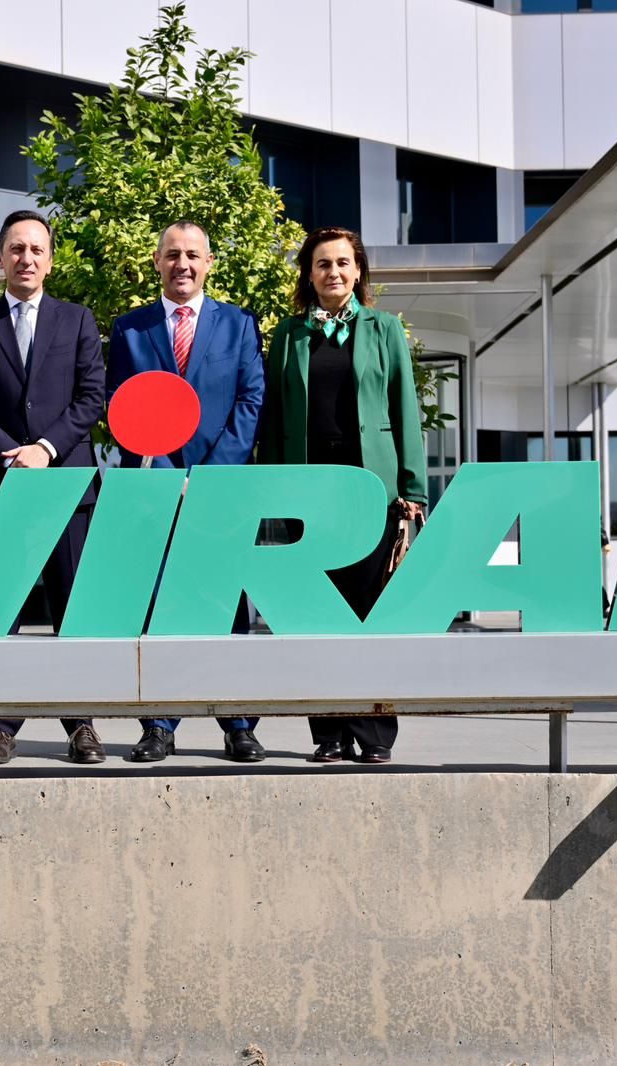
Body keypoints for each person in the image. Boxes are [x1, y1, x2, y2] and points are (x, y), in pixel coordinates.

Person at [259, 226, 427, 764]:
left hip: (371, 488)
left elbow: (406, 410)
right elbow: (274, 417)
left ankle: (375, 734)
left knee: (369, 612)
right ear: (309, 274)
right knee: (317, 615)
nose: (332, 272)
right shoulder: (288, 334)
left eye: (342, 263)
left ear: (358, 272)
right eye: (322, 264)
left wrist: (411, 488)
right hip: (308, 489)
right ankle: (328, 734)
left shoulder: (384, 329)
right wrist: (274, 489)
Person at [0, 210, 107, 765]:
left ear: (51, 259)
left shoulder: (78, 319)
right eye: (17, 249)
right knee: (4, 609)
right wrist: (10, 453)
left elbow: (91, 397)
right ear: (1, 258)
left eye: (37, 249)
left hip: (66, 485)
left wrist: (46, 448)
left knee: (73, 611)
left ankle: (81, 724)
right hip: (2, 483)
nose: (27, 259)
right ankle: (1, 727)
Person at [106, 220, 266, 764]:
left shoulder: (240, 325)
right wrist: (163, 473)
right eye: (172, 255)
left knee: (227, 606)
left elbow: (250, 401)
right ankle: (159, 725)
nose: (183, 265)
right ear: (156, 261)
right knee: (158, 609)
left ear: (210, 262)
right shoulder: (129, 330)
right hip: (154, 489)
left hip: (217, 492)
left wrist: (207, 476)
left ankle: (239, 723)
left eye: (193, 255)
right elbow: (119, 407)